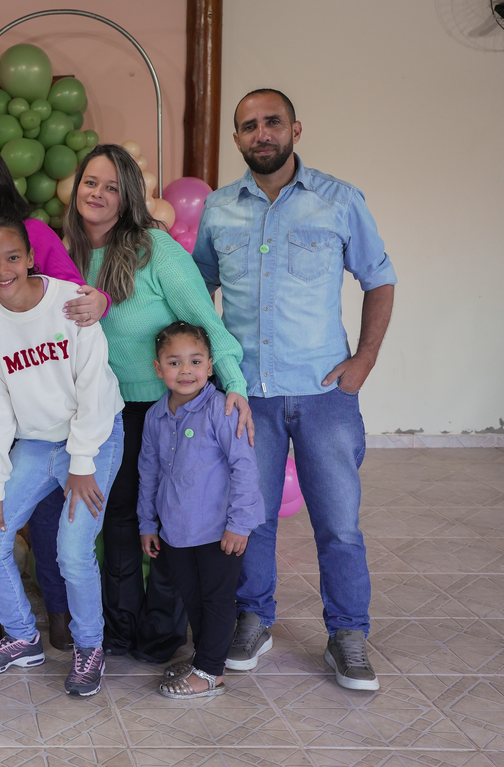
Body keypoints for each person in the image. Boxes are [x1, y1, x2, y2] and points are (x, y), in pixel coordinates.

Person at [194, 88, 396, 691]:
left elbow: (379, 279)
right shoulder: (219, 209)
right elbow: (197, 290)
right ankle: (253, 620)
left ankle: (348, 634)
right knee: (250, 519)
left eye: (272, 122)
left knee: (339, 525)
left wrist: (364, 359)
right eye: (249, 126)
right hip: (246, 396)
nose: (262, 134)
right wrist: (208, 372)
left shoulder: (339, 201)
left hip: (323, 393)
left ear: (295, 130)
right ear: (237, 138)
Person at [62, 143, 252, 664]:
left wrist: (234, 385)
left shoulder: (156, 249)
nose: (97, 194)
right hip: (105, 412)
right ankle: (121, 631)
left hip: (168, 412)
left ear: (128, 196)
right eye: (90, 182)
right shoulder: (66, 253)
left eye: (111, 186)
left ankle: (163, 634)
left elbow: (207, 325)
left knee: (172, 522)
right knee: (119, 521)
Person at [0, 140, 110, 652]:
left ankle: (58, 610)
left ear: (0, 186)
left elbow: (75, 303)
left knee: (51, 510)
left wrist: (99, 300)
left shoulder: (32, 234)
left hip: (41, 400)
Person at [0, 215, 125, 698]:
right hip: (35, 443)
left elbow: (93, 386)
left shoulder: (70, 302)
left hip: (94, 439)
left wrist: (83, 464)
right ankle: (22, 638)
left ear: (31, 257)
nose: (3, 270)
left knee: (73, 551)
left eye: (13, 257)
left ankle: (89, 647)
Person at [137, 322, 261, 698]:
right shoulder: (155, 417)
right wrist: (147, 523)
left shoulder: (221, 409)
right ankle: (205, 659)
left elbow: (244, 467)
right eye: (174, 362)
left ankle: (210, 672)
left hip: (220, 530)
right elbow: (148, 472)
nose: (185, 370)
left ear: (210, 366)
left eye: (195, 361)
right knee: (191, 598)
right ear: (158, 368)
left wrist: (240, 524)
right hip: (176, 529)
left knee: (216, 600)